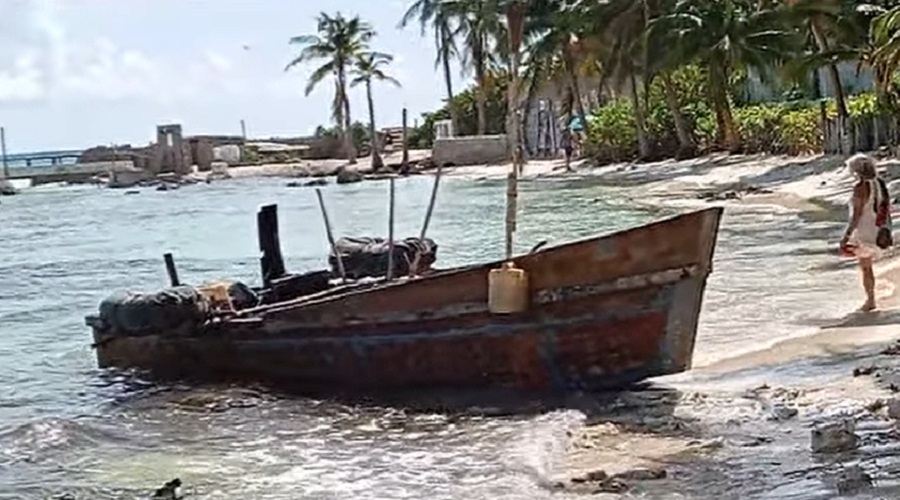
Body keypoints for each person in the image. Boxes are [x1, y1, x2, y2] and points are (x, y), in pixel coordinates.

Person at [840, 153, 893, 311]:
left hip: (864, 228)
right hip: (878, 228)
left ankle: (870, 300)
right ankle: (870, 299)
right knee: (868, 265)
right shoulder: (880, 183)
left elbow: (857, 214)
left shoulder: (860, 187)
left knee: (865, 267)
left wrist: (847, 235)